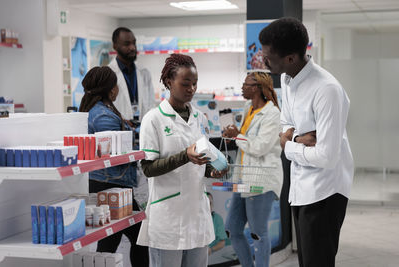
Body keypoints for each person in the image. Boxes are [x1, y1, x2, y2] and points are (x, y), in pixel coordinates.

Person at [259, 17, 354, 267]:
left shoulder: (327, 90)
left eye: (268, 56)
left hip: (325, 191)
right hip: (300, 188)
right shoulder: (287, 80)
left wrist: (289, 145)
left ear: (290, 57)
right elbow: (284, 125)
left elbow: (326, 156)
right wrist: (299, 138)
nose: (263, 60)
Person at [137, 53, 227, 267]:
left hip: (196, 214)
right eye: (186, 84)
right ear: (169, 82)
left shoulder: (200, 118)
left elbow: (201, 162)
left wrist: (211, 171)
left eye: (195, 84)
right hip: (168, 217)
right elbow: (148, 168)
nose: (192, 89)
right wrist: (185, 156)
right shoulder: (153, 119)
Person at [79, 66, 149, 267]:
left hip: (107, 184)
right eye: (116, 85)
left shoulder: (100, 111)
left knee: (114, 236)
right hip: (110, 185)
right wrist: (140, 149)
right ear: (111, 90)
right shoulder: (104, 117)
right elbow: (114, 154)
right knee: (135, 237)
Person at [222, 72, 283, 267]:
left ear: (256, 88)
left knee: (258, 233)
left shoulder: (272, 114)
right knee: (232, 229)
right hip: (243, 177)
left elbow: (260, 147)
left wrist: (238, 135)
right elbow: (245, 141)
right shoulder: (248, 107)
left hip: (261, 180)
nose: (242, 87)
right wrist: (233, 134)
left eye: (246, 84)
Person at [109, 27, 155, 121]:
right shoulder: (109, 74)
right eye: (127, 44)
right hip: (119, 129)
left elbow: (151, 104)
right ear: (115, 46)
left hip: (143, 127)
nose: (132, 47)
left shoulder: (144, 73)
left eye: (134, 43)